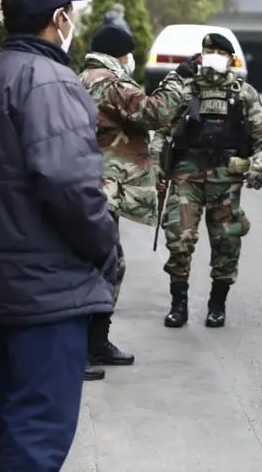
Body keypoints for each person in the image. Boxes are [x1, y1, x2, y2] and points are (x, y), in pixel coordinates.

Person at [0, 0, 118, 471]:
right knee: (37, 433)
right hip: (47, 292)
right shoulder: (51, 83)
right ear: (58, 18)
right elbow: (70, 186)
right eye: (70, 14)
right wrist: (106, 247)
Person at [77, 23, 189, 379]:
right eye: (129, 55)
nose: (131, 61)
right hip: (101, 186)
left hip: (93, 183)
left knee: (108, 264)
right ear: (118, 54)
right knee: (101, 266)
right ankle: (81, 348)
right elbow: (155, 112)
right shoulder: (109, 82)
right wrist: (177, 78)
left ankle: (95, 342)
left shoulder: (84, 78)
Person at [153, 33, 262, 328]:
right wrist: (156, 166)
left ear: (231, 59)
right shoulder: (184, 89)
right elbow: (162, 130)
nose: (213, 56)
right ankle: (178, 304)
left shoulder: (244, 94)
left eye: (219, 52)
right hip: (187, 175)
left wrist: (257, 168)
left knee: (226, 243)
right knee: (179, 239)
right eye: (208, 51)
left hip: (225, 178)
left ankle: (217, 305)